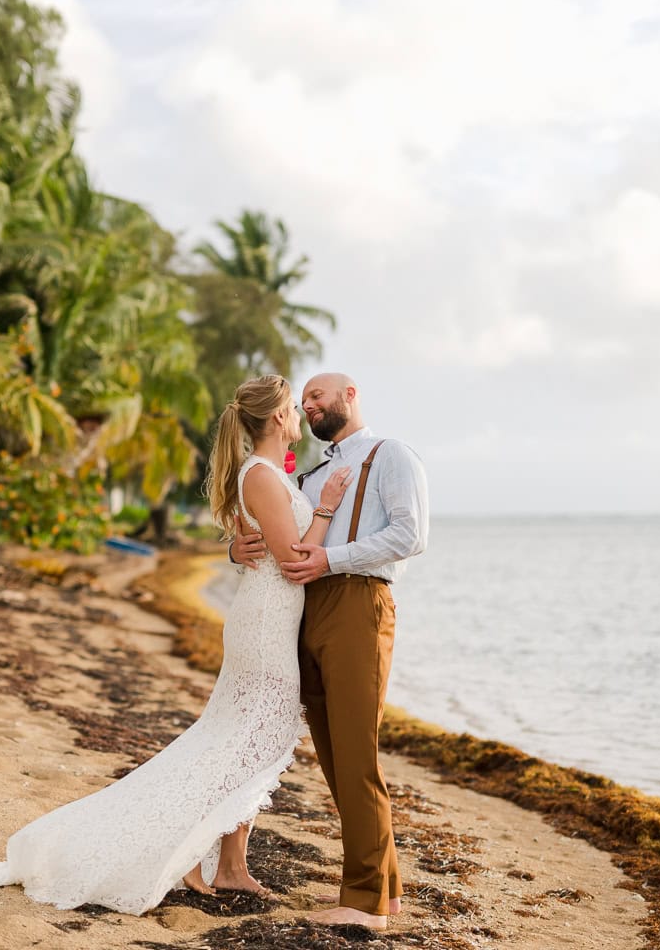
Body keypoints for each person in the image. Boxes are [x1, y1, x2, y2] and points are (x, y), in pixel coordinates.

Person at [0, 374, 354, 915]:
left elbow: (268, 548)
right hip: (265, 625)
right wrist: (326, 509)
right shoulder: (263, 475)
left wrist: (246, 547)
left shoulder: (269, 474)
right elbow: (295, 563)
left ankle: (227, 864)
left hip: (266, 620)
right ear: (276, 418)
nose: (299, 415)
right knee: (246, 742)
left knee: (245, 743)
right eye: (294, 406)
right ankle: (220, 863)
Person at [227, 371, 429, 931]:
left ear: (351, 396)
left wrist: (332, 561)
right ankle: (385, 892)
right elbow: (284, 540)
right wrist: (236, 549)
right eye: (304, 399)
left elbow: (411, 536)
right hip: (304, 609)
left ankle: (364, 903)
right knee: (336, 758)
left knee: (358, 755)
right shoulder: (311, 474)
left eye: (320, 394)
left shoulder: (391, 455)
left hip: (358, 602)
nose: (311, 404)